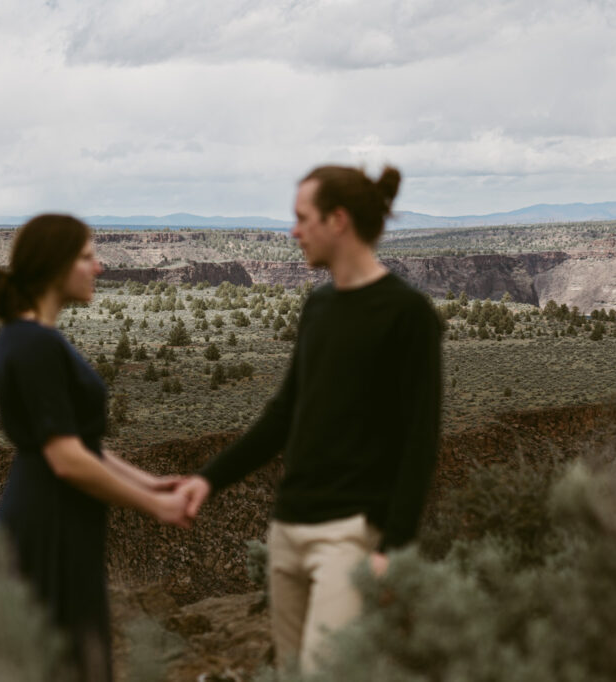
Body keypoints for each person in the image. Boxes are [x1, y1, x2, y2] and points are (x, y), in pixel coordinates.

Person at [178, 165, 442, 675]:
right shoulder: (319, 306)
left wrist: (395, 547)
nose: (293, 232)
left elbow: (420, 439)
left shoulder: (407, 314)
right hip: (288, 529)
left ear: (337, 220)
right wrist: (207, 480)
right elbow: (283, 414)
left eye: (302, 218)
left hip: (348, 538)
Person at [0, 214, 192, 682]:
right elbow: (67, 459)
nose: (98, 267)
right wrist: (153, 507)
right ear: (55, 264)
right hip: (50, 519)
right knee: (66, 661)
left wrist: (151, 482)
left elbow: (78, 442)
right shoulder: (36, 344)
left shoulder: (24, 336)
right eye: (86, 256)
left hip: (52, 513)